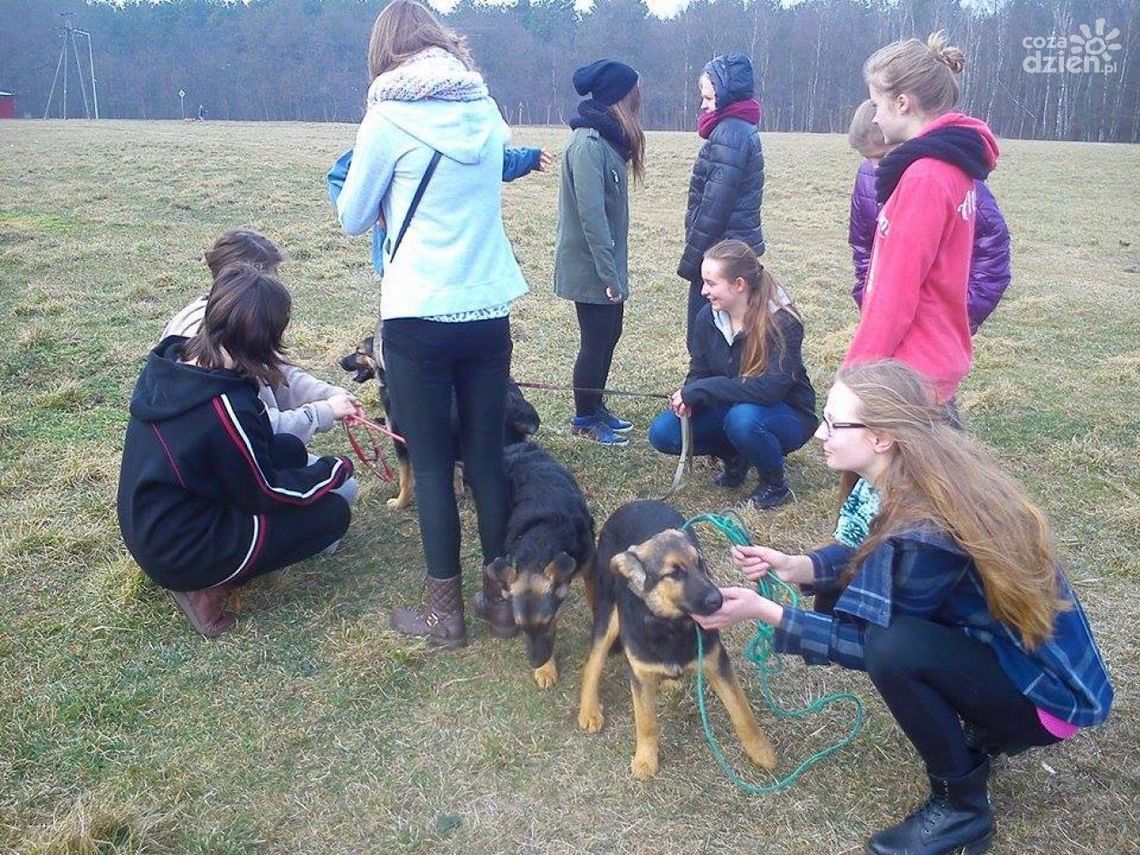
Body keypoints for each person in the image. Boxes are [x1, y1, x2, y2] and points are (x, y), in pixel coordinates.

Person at [694, 360, 1113, 855]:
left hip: (1047, 700)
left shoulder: (924, 528)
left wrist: (767, 613)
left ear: (882, 437)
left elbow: (867, 643)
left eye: (834, 423)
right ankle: (988, 727)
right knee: (890, 632)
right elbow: (873, 561)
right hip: (1023, 664)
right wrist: (799, 566)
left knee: (895, 648)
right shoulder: (914, 475)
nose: (821, 434)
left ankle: (961, 808)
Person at [335, 0, 529, 648]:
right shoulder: (484, 107)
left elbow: (353, 215)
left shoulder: (385, 116)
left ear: (385, 50)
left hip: (418, 312)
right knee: (486, 457)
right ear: (441, 42)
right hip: (486, 308)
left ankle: (446, 614)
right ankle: (503, 600)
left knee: (435, 460)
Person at [117, 264, 357, 638]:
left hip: (149, 524)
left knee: (289, 449)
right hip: (181, 549)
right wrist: (333, 469)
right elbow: (265, 492)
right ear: (263, 339)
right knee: (333, 513)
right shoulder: (225, 406)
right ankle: (206, 585)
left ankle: (204, 568)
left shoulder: (174, 361)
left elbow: (257, 448)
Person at [844, 33, 1000, 403]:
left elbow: (895, 292)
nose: (876, 117)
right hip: (932, 356)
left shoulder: (925, 177)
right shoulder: (951, 166)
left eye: (875, 103)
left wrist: (854, 376)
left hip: (911, 368)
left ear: (902, 103)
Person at [163, 231, 363, 501]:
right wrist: (324, 412)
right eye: (272, 273)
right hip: (213, 470)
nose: (278, 282)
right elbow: (253, 423)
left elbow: (275, 371)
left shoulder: (227, 314)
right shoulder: (207, 337)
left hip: (225, 453)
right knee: (341, 494)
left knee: (294, 453)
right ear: (245, 277)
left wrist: (329, 394)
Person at [647, 240, 817, 509]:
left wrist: (704, 390)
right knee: (664, 432)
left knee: (744, 419)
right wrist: (689, 398)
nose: (703, 291)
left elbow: (771, 388)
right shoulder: (708, 317)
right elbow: (699, 371)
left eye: (711, 284)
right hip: (732, 408)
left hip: (786, 414)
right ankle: (736, 456)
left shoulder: (783, 322)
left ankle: (774, 484)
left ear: (739, 284)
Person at [847, 99, 1011, 335]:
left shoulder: (950, 179)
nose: (875, 168)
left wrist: (961, 315)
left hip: (937, 329)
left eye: (882, 157)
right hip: (888, 319)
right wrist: (869, 299)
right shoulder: (868, 175)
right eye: (866, 157)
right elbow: (863, 244)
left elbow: (992, 252)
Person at [553, 59, 645, 447]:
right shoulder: (588, 145)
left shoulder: (607, 141)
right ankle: (584, 418)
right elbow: (592, 219)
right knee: (595, 341)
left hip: (606, 263)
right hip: (590, 266)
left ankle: (597, 405)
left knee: (610, 335)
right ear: (618, 97)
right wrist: (609, 276)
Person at [327, 145, 554, 278]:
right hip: (404, 265)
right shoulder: (390, 128)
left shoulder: (464, 126)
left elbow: (489, 157)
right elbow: (341, 175)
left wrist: (528, 158)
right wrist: (374, 210)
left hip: (462, 261)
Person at [678, 53, 765, 356]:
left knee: (707, 336)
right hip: (728, 250)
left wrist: (693, 264)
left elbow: (714, 207)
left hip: (722, 254)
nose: (703, 104)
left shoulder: (730, 132)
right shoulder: (736, 129)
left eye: (709, 97)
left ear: (726, 94)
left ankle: (707, 394)